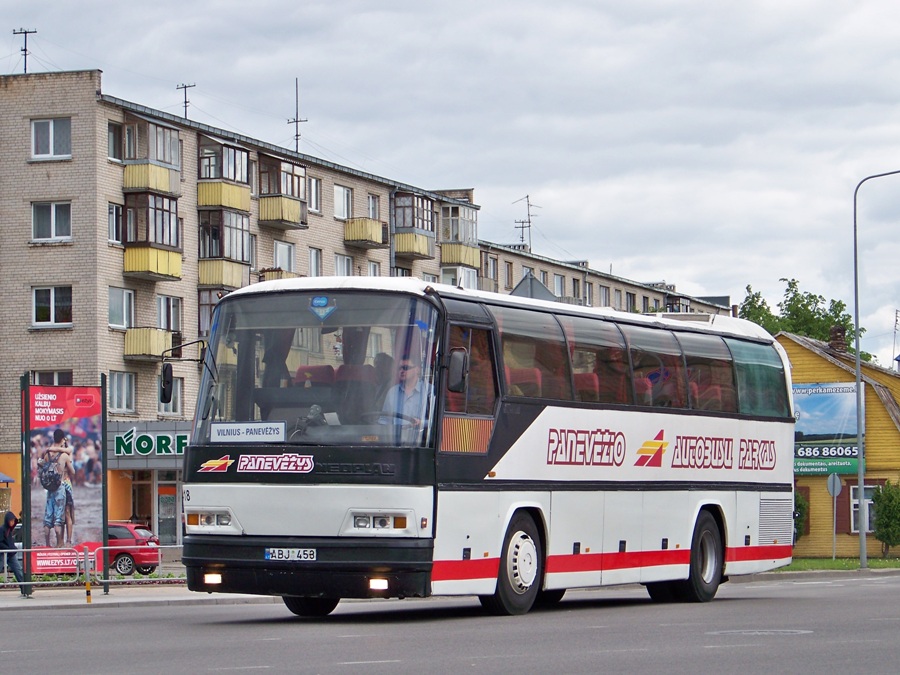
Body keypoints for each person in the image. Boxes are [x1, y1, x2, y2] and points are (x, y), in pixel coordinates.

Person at [39, 429, 74, 547]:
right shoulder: (64, 455)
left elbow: (43, 466)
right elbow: (73, 471)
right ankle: (62, 542)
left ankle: (49, 544)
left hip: (50, 488)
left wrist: (50, 449)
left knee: (49, 517)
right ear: (62, 439)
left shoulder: (48, 454)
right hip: (62, 486)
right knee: (63, 516)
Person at [381, 355, 428, 427]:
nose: (401, 371)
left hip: (420, 436)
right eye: (399, 368)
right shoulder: (392, 391)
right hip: (394, 437)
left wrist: (421, 423)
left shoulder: (429, 391)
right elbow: (384, 420)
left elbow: (437, 421)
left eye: (405, 368)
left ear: (417, 369)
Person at [1, 511, 29, 598]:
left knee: (18, 570)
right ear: (7, 521)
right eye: (11, 521)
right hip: (3, 554)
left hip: (11, 554)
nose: (12, 522)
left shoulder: (10, 530)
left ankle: (25, 589)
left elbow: (10, 541)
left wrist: (12, 548)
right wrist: (8, 548)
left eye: (13, 521)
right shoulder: (2, 530)